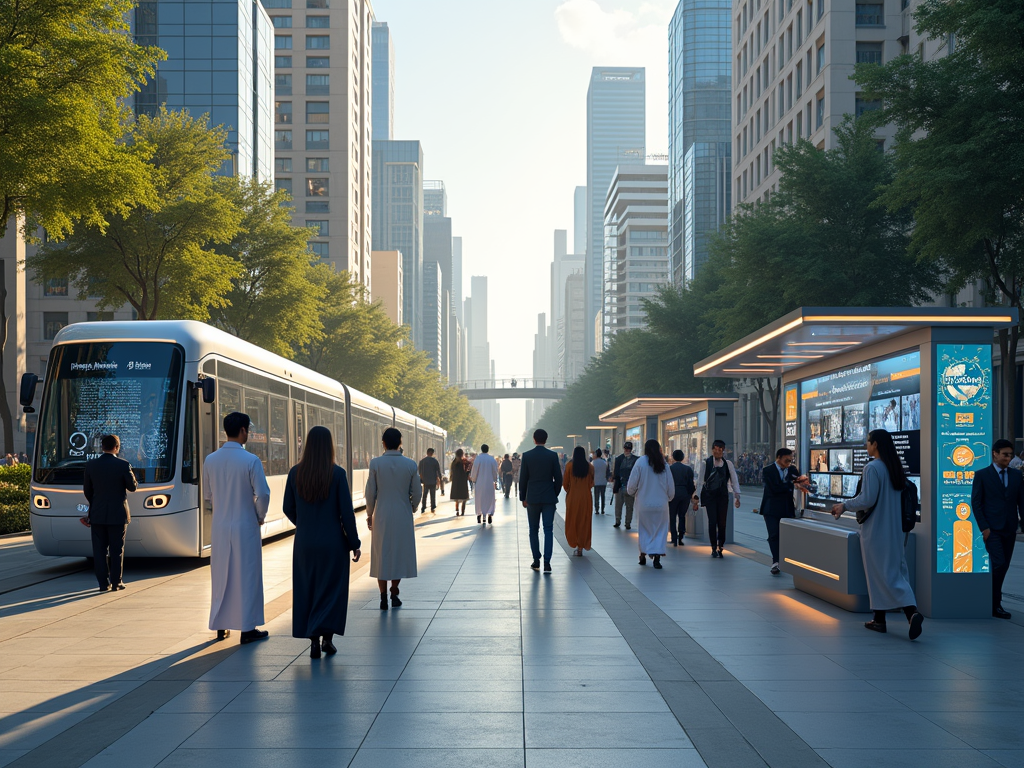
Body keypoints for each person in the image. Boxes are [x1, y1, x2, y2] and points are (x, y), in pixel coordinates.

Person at [832, 429, 923, 639]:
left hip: (876, 530)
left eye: (868, 442)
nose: (867, 445)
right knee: (895, 571)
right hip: (895, 530)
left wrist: (844, 505)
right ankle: (884, 618)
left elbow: (867, 499)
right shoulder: (894, 468)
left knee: (878, 574)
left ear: (876, 445)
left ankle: (908, 612)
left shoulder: (872, 468)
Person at [283, 426, 361, 659]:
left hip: (305, 543)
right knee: (332, 591)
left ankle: (313, 641)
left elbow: (287, 507)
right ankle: (327, 638)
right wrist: (354, 542)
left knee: (307, 588)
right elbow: (346, 513)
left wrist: (304, 523)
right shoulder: (337, 474)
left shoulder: (295, 473)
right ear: (329, 446)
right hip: (333, 543)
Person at [203, 412, 272, 644]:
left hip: (221, 526)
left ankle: (221, 625)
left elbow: (208, 495)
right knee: (247, 575)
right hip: (245, 525)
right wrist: (259, 516)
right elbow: (263, 493)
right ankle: (247, 627)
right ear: (243, 430)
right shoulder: (251, 460)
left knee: (221, 575)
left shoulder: (210, 460)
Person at [366, 427, 421, 610]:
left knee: (381, 554)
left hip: (381, 513)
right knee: (398, 552)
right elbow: (417, 492)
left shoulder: (375, 464)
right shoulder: (411, 465)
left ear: (383, 443)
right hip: (402, 514)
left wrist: (369, 513)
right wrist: (412, 507)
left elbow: (370, 492)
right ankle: (394, 591)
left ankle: (382, 596)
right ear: (400, 443)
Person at [970, 438, 1024, 619]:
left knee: (1004, 565)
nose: (1008, 458)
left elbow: (1021, 502)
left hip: (1009, 528)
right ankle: (994, 602)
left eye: (1010, 455)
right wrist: (984, 528)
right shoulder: (982, 475)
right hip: (991, 529)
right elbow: (976, 503)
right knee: (999, 563)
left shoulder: (1016, 476)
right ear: (995, 454)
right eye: (1005, 455)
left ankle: (992, 602)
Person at [82, 434, 138, 592]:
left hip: (98, 514)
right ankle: (116, 582)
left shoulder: (91, 465)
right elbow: (132, 487)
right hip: (117, 514)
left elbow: (87, 491)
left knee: (99, 551)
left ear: (102, 447)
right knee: (116, 550)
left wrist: (95, 504)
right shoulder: (123, 465)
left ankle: (102, 583)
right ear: (117, 447)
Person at [760, 448, 810, 574]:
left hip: (787, 507)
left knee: (787, 536)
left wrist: (800, 482)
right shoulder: (768, 471)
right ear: (779, 457)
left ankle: (784, 560)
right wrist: (791, 485)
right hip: (770, 508)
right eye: (787, 460)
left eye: (791, 460)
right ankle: (775, 561)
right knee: (773, 535)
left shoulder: (792, 469)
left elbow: (798, 481)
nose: (789, 462)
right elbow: (774, 488)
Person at [519, 428, 562, 572]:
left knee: (533, 530)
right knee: (548, 529)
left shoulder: (527, 456)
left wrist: (523, 497)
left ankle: (536, 560)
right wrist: (554, 493)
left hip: (532, 498)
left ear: (534, 439)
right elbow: (559, 478)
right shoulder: (552, 456)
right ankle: (547, 562)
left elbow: (523, 479)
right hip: (549, 497)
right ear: (546, 439)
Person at [627, 439, 674, 569]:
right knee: (660, 530)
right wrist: (669, 497)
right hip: (661, 505)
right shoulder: (664, 464)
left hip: (644, 504)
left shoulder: (640, 462)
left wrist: (632, 492)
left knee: (644, 530)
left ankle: (643, 553)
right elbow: (670, 487)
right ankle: (657, 557)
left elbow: (631, 485)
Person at [693, 440, 741, 558]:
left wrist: (737, 496)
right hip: (710, 496)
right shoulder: (706, 463)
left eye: (720, 450)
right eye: (716, 449)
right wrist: (697, 498)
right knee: (712, 522)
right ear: (712, 449)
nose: (718, 451)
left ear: (723, 451)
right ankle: (713, 546)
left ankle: (721, 545)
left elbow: (734, 480)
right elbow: (700, 482)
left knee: (722, 522)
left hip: (723, 496)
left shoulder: (728, 464)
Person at [563, 445, 594, 556]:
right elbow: (591, 483)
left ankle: (574, 542)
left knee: (572, 521)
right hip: (586, 497)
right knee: (584, 521)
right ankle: (581, 546)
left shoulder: (569, 466)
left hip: (573, 497)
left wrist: (571, 491)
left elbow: (565, 484)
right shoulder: (590, 467)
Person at [668, 450, 695, 547]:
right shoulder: (688, 469)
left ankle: (674, 538)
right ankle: (681, 537)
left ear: (673, 457)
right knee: (682, 516)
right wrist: (689, 494)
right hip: (684, 494)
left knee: (672, 516)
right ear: (683, 457)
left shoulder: (670, 469)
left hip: (672, 494)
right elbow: (691, 484)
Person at [469, 444, 498, 524]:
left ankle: (479, 514)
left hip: (479, 483)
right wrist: (495, 480)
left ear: (481, 449)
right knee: (490, 498)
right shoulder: (492, 459)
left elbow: (474, 471)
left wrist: (473, 479)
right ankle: (489, 514)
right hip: (489, 482)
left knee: (479, 499)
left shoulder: (478, 459)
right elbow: (495, 471)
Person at [612, 442, 638, 529]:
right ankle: (619, 521)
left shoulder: (620, 459)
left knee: (627, 506)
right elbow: (616, 473)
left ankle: (626, 522)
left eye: (628, 449)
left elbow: (615, 473)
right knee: (622, 505)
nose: (627, 450)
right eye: (626, 448)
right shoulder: (634, 459)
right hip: (623, 485)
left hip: (628, 486)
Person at [417, 448, 442, 514]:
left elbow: (420, 472)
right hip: (433, 480)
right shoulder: (435, 461)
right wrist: (439, 479)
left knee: (424, 494)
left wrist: (422, 479)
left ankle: (423, 507)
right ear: (432, 453)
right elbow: (438, 471)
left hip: (425, 481)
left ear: (427, 452)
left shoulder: (422, 461)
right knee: (432, 494)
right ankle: (433, 506)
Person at [449, 448, 470, 516]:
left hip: (456, 481)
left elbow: (452, 472)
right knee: (464, 497)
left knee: (457, 497)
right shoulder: (464, 462)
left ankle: (457, 510)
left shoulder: (454, 462)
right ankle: (462, 511)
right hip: (463, 481)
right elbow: (467, 470)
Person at [592, 449, 609, 515]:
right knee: (603, 496)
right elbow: (607, 472)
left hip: (596, 482)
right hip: (603, 481)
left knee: (596, 496)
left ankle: (597, 509)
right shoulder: (604, 462)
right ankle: (602, 509)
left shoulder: (593, 463)